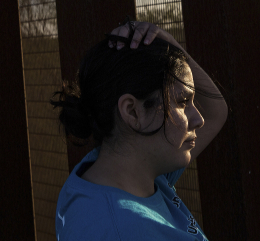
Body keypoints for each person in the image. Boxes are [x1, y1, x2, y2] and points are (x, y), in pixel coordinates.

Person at [51, 19, 228, 240]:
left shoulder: (113, 174)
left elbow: (215, 112)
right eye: (182, 103)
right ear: (133, 112)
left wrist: (169, 44)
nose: (198, 119)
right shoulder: (122, 230)